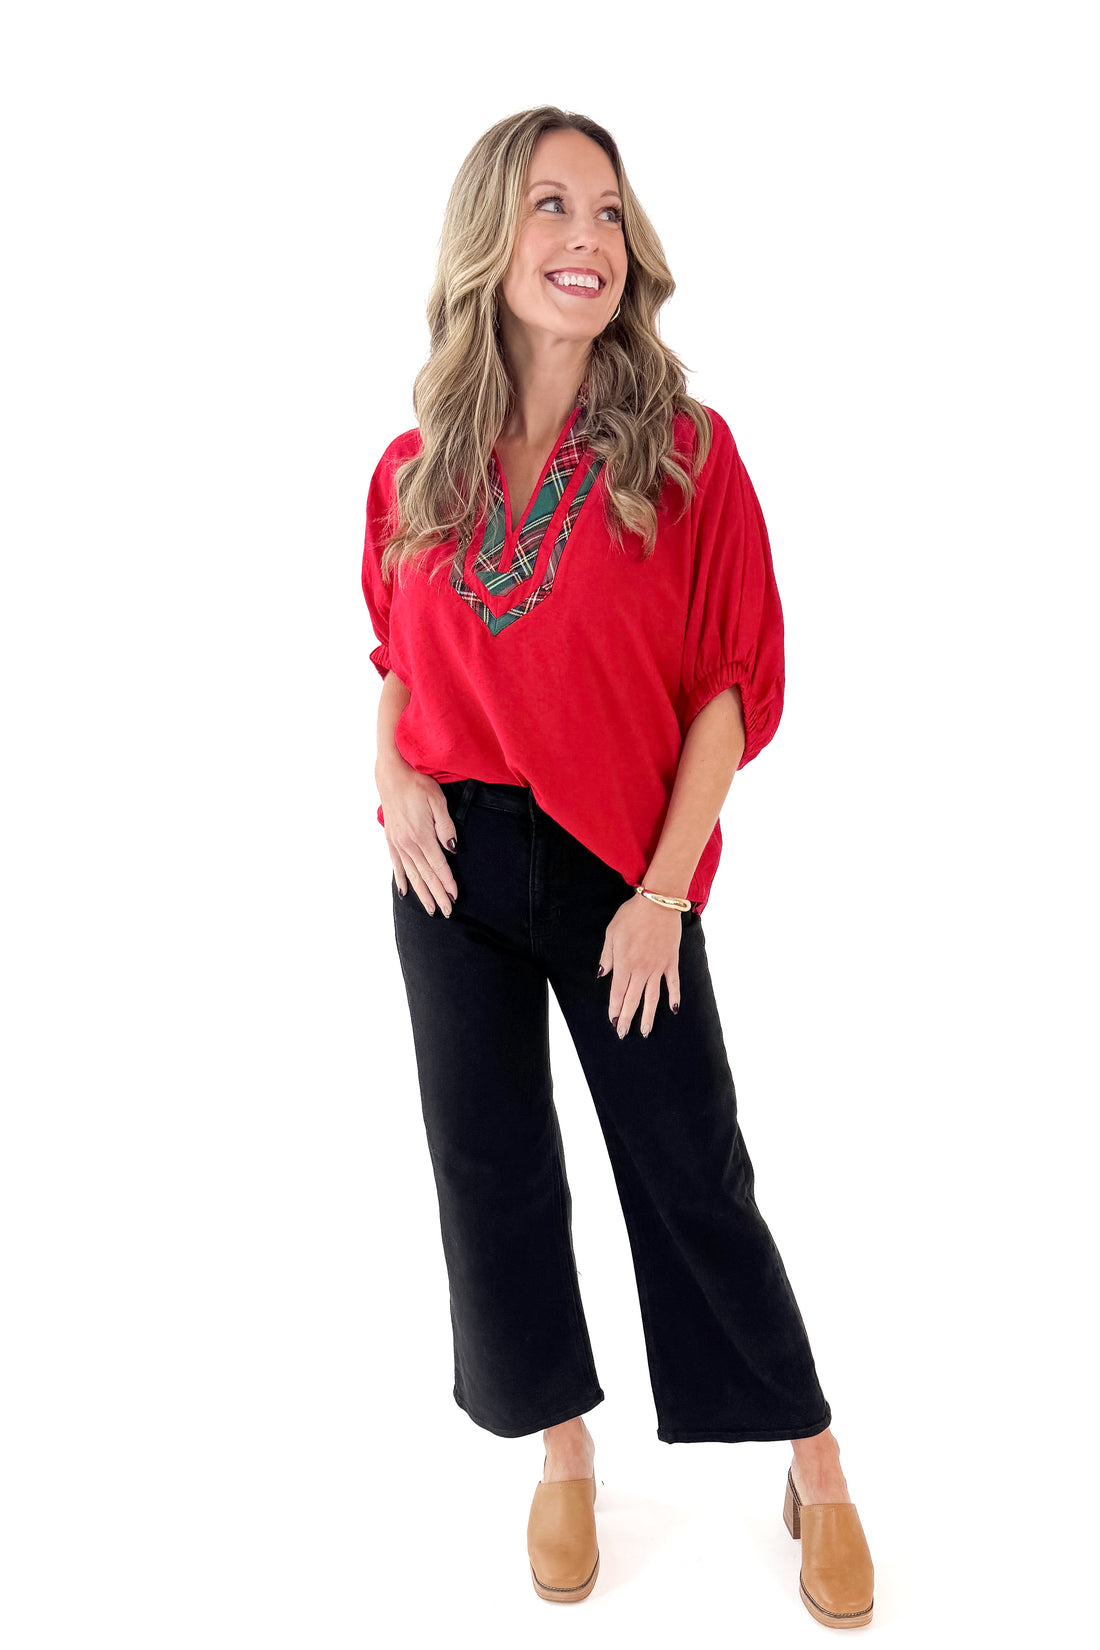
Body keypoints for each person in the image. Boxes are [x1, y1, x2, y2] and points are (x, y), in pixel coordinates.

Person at [360, 106, 874, 1628]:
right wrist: (389, 774)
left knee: (689, 1166)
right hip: (449, 862)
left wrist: (664, 891)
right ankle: (563, 1450)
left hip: (618, 867)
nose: (586, 237)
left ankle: (818, 1460)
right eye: (548, 207)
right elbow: (398, 652)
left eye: (606, 208)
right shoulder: (413, 469)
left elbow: (725, 692)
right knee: (492, 1169)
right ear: (486, 245)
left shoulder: (689, 456)